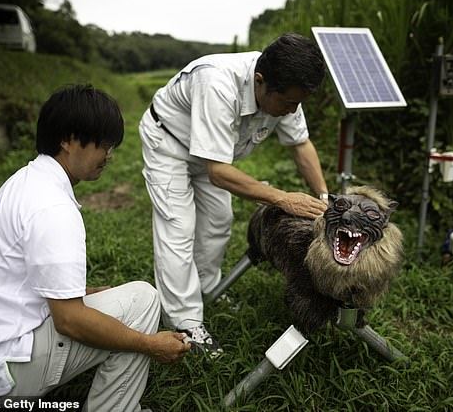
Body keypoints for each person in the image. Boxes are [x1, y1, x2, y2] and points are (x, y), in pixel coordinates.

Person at [0, 85, 190, 411]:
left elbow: (27, 281)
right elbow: (70, 321)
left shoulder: (27, 180)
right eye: (103, 144)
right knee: (144, 300)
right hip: (4, 371)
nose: (109, 155)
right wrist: (150, 344)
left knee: (121, 298)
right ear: (67, 139)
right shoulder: (53, 208)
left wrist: (90, 291)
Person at [138, 33, 329, 356]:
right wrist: (282, 198)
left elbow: (300, 144)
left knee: (218, 220)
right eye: (287, 103)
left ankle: (208, 288)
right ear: (260, 81)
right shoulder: (217, 83)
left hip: (213, 156)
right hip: (170, 145)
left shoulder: (285, 87)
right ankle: (185, 322)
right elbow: (218, 171)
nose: (292, 110)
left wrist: (324, 199)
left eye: (298, 103)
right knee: (178, 227)